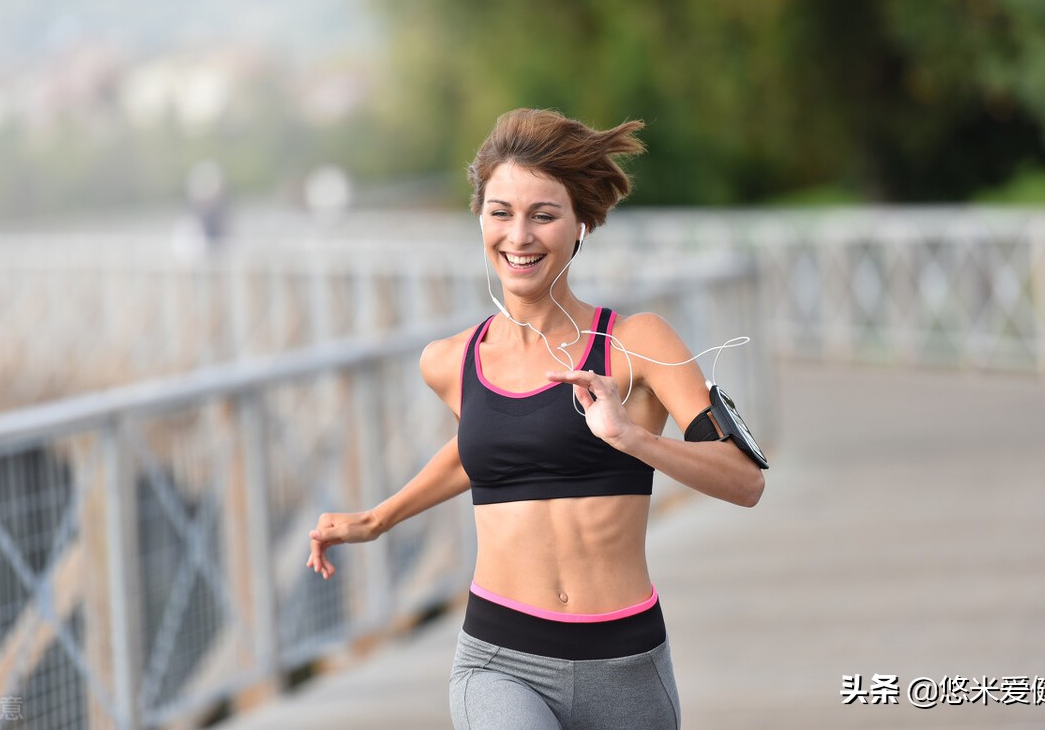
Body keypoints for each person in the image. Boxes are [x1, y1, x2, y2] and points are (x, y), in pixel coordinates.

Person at [307, 108, 767, 729]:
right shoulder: (449, 362)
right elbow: (488, 447)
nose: (519, 236)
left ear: (580, 225)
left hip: (626, 663)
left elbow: (744, 480)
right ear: (480, 220)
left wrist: (630, 437)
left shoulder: (637, 343)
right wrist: (378, 518)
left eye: (543, 215)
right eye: (501, 213)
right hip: (500, 661)